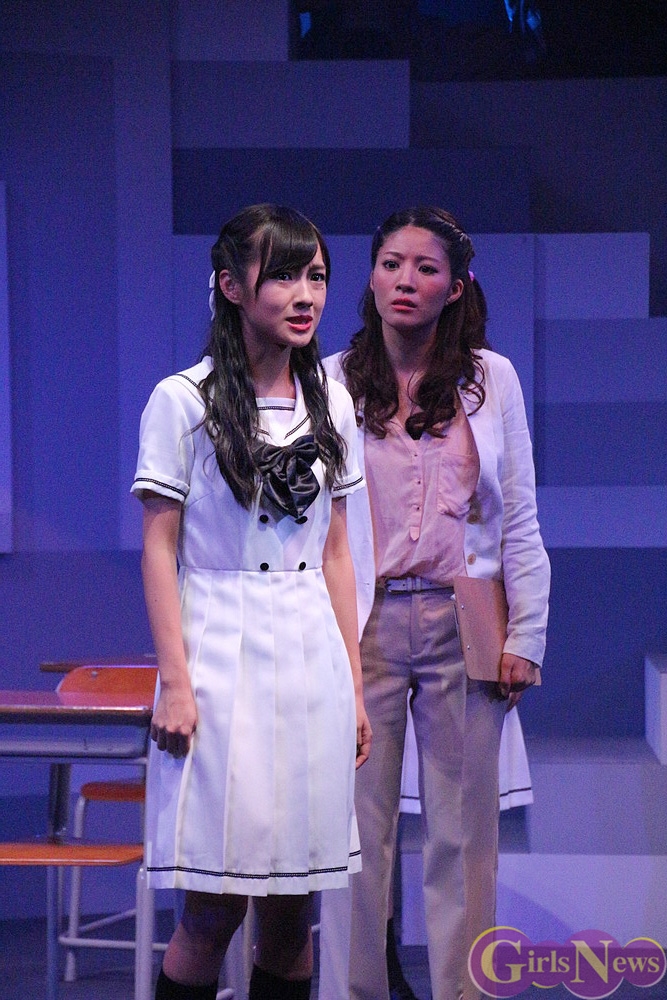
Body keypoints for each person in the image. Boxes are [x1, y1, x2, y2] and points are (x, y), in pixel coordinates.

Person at [131, 203, 372, 1000]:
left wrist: (354, 686)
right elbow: (159, 548)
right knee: (212, 909)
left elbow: (336, 554)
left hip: (310, 658)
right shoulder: (182, 400)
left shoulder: (332, 401)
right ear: (232, 286)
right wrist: (175, 682)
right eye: (283, 276)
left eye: (317, 277)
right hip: (217, 656)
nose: (305, 295)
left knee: (294, 910)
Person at [321, 206, 550, 1000]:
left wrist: (527, 633)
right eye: (390, 263)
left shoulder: (490, 379)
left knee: (463, 836)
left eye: (424, 267)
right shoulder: (331, 379)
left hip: (465, 619)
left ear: (454, 286)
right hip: (362, 625)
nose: (404, 280)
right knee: (355, 837)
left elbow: (518, 513)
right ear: (370, 275)